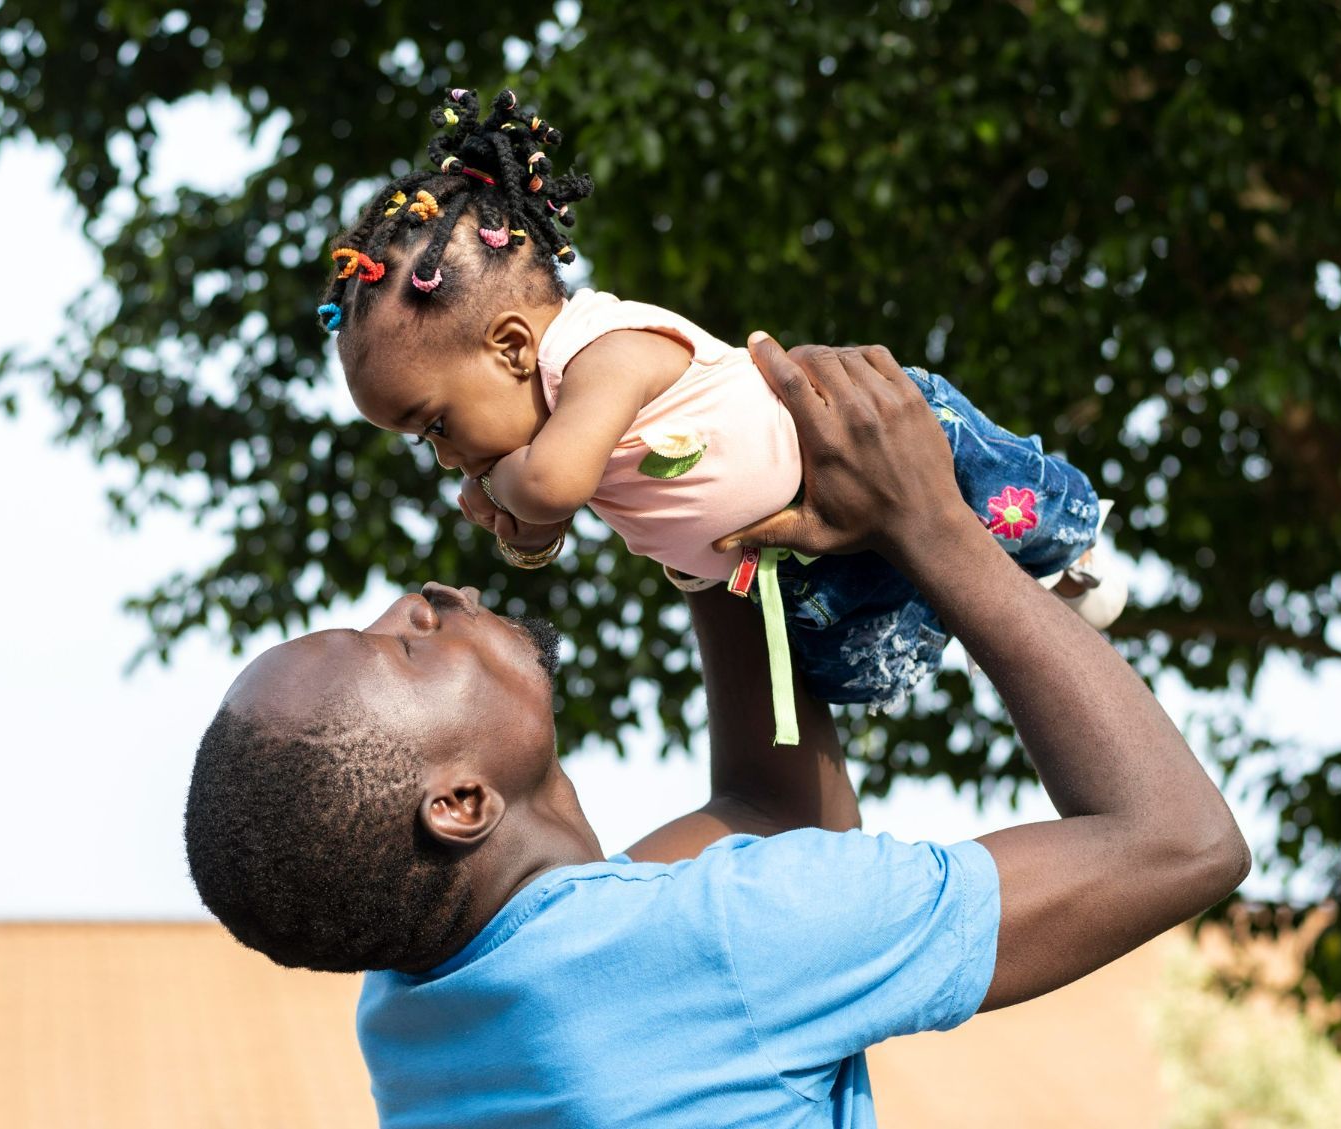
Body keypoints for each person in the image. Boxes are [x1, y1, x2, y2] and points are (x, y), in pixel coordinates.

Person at [183, 337, 1250, 1128]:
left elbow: (774, 818)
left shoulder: (419, 1010)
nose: (416, 598)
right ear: (459, 803)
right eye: (401, 648)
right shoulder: (719, 944)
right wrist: (932, 524)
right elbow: (1177, 841)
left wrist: (695, 514)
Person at [314, 87, 1126, 743]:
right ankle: (1023, 599)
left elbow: (556, 483)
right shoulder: (554, 418)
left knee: (1011, 507)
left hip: (871, 436)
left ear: (514, 346)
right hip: (794, 553)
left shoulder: (603, 351)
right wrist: (529, 538)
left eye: (435, 424)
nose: (445, 455)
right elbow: (561, 503)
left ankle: (1066, 551)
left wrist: (508, 492)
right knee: (856, 664)